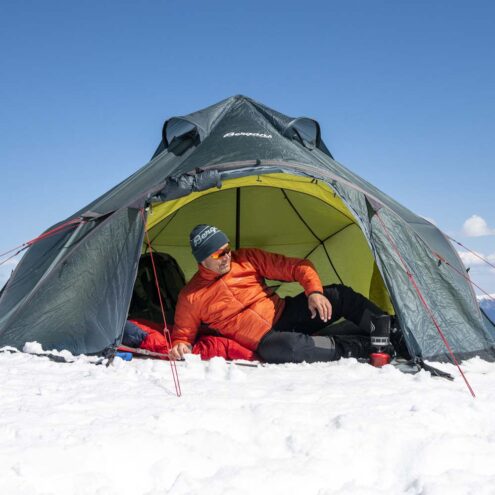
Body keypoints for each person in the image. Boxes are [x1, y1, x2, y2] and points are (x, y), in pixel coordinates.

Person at [170, 224, 392, 363]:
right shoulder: (191, 296)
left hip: (284, 312)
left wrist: (314, 291)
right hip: (263, 339)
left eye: (227, 249)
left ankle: (391, 330)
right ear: (202, 259)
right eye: (219, 254)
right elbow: (183, 336)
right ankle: (360, 347)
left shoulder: (246, 259)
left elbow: (297, 266)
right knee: (289, 348)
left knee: (337, 295)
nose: (227, 256)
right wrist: (181, 345)